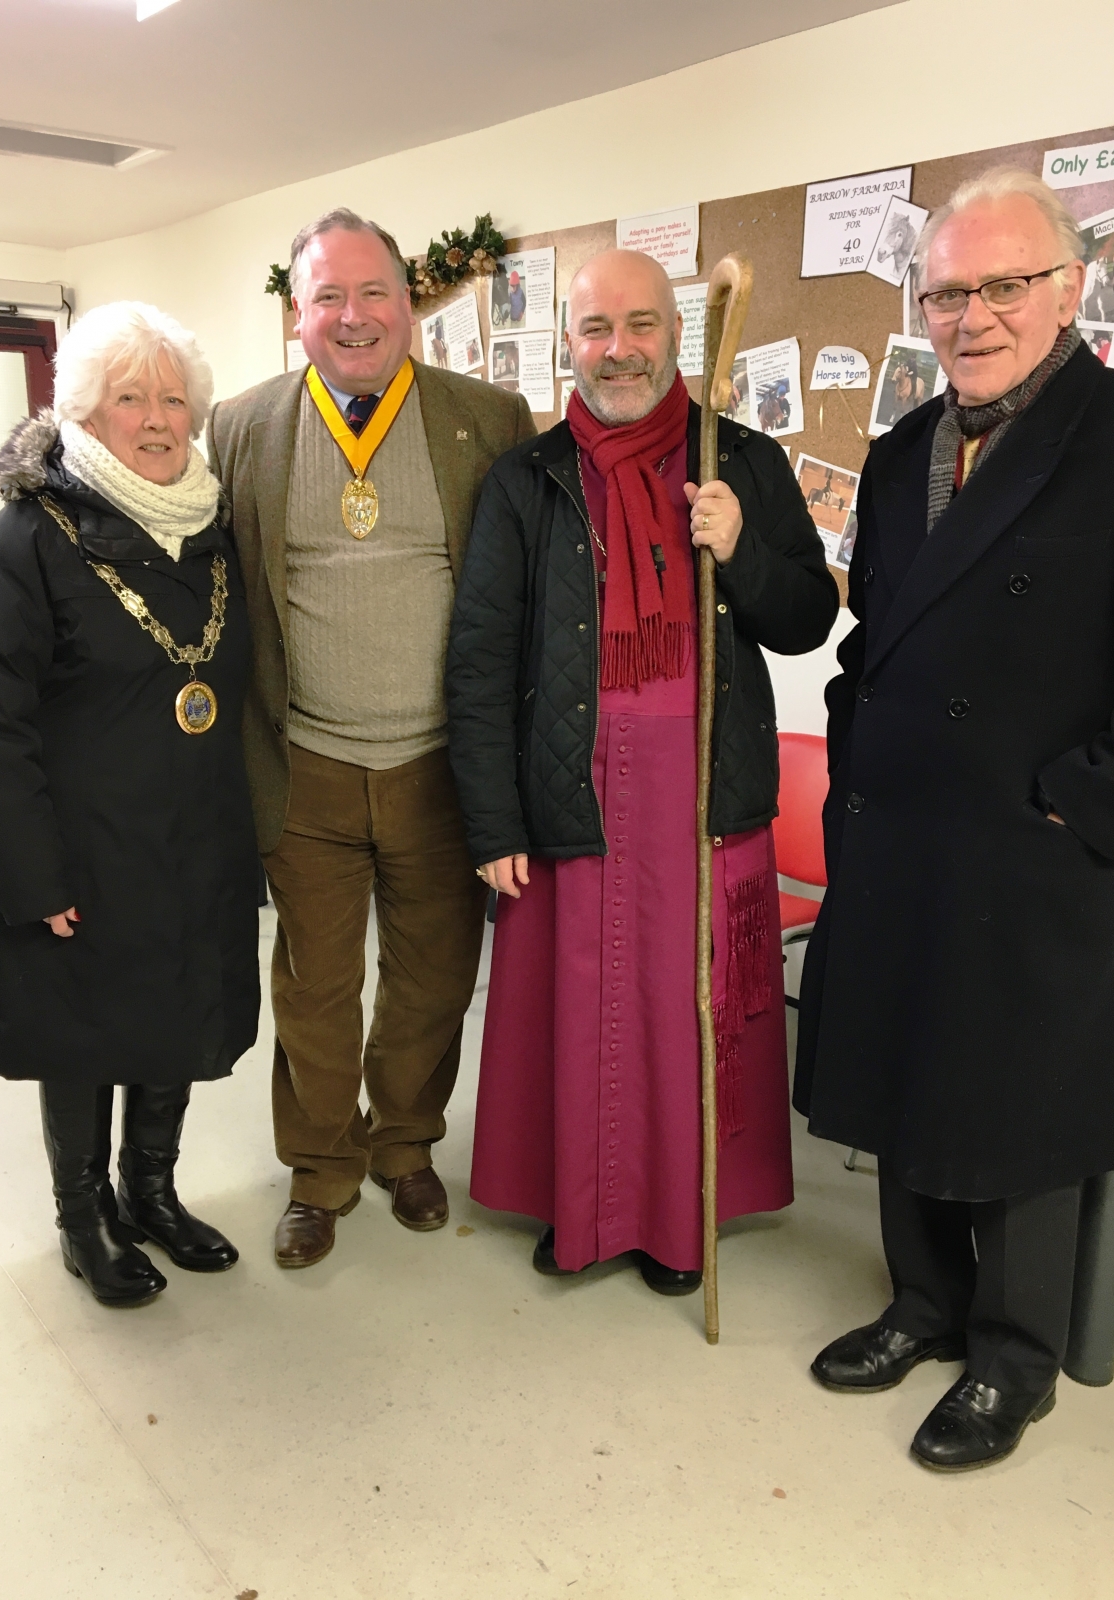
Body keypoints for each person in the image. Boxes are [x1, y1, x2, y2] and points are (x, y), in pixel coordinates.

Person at [795, 167, 1114, 1470]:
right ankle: (922, 1304)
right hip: (898, 837)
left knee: (1020, 1112)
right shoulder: (901, 455)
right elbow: (875, 643)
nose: (970, 315)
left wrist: (1086, 806)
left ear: (1067, 290)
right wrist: (850, 769)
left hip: (1036, 846)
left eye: (1003, 285)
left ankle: (1013, 1355)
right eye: (945, 290)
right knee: (911, 1084)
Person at [447, 248, 838, 1292]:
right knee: (579, 1007)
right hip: (569, 787)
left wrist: (743, 548)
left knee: (687, 1007)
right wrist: (493, 825)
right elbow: (480, 661)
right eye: (594, 329)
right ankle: (582, 1207)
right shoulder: (524, 483)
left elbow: (806, 620)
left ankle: (680, 1218)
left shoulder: (743, 462)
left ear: (677, 333)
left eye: (640, 325)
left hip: (705, 793)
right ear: (567, 344)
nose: (618, 350)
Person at [208, 209, 534, 1268]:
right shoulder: (242, 428)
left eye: (373, 293)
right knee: (313, 988)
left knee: (436, 977)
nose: (353, 316)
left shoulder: (488, 419)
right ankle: (320, 1168)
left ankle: (403, 1145)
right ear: (297, 316)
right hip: (304, 761)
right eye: (328, 298)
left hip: (443, 766)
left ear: (409, 302)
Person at [0, 302, 259, 1308]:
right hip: (79, 854)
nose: (158, 418)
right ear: (84, 413)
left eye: (175, 398)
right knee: (84, 1032)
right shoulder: (22, 544)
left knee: (172, 1014)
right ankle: (82, 1217)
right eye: (130, 397)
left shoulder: (209, 530)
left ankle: (152, 1193)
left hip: (190, 839)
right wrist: (30, 876)